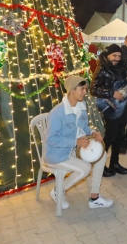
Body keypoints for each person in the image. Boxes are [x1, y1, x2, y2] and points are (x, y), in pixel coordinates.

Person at [44, 75, 114, 209]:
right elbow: (51, 139)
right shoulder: (58, 112)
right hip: (57, 154)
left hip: (74, 150)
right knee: (85, 168)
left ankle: (95, 198)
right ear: (71, 90)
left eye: (85, 89)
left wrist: (93, 132)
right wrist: (75, 141)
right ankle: (58, 191)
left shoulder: (81, 105)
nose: (85, 92)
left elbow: (84, 127)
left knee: (101, 155)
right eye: (82, 89)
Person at [91, 44, 127, 176]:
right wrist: (112, 93)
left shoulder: (123, 68)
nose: (117, 58)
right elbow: (93, 90)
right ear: (108, 55)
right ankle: (99, 166)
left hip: (122, 107)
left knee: (120, 136)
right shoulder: (102, 69)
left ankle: (114, 163)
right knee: (110, 137)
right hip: (109, 107)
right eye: (114, 55)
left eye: (119, 56)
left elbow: (126, 88)